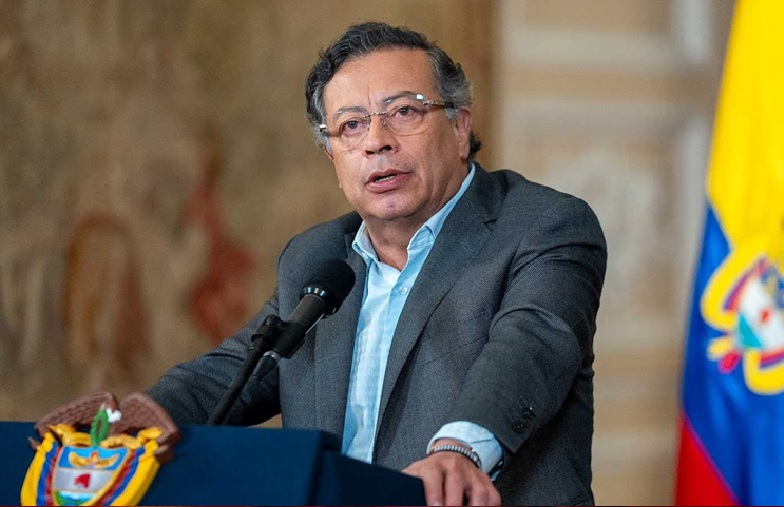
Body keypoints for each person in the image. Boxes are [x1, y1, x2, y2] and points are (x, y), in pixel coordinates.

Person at [147, 21, 607, 506]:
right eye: (351, 125)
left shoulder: (542, 225)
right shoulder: (317, 255)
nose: (376, 141)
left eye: (404, 111)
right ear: (333, 156)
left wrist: (459, 450)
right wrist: (127, 421)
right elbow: (240, 368)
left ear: (459, 127)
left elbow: (532, 345)